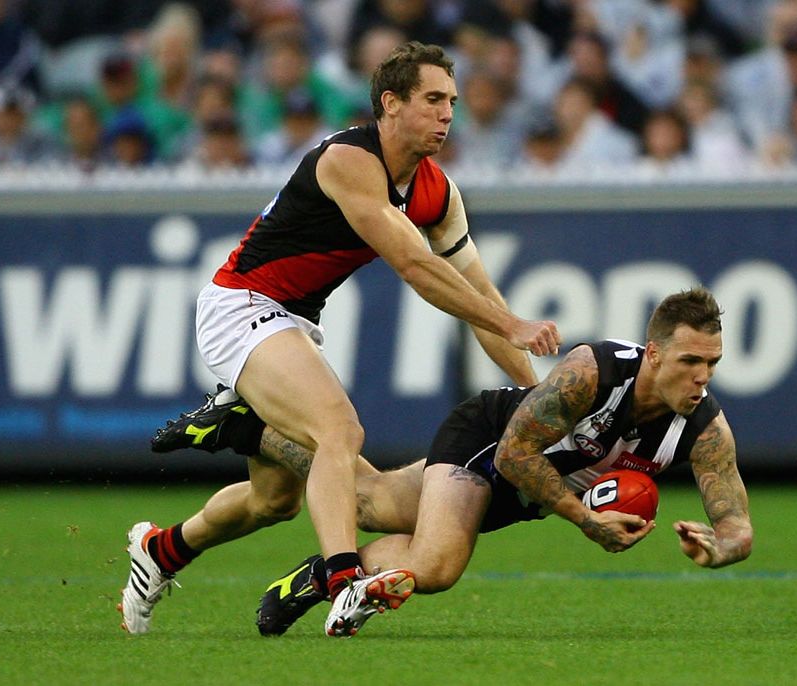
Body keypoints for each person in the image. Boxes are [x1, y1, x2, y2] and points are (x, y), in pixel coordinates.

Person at [118, 40, 560, 638]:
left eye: (451, 101)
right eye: (432, 99)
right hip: (241, 306)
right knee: (340, 431)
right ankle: (342, 578)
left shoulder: (438, 192)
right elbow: (415, 267)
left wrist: (541, 402)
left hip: (291, 321)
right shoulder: (349, 159)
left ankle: (163, 548)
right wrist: (513, 326)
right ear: (390, 103)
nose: (447, 113)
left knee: (276, 501)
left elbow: (480, 299)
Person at [154, 287, 753, 637]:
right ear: (654, 353)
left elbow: (737, 523)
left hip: (523, 491)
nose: (702, 378)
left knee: (366, 501)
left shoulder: (703, 427)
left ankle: (249, 432)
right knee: (437, 567)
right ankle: (320, 564)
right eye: (690, 362)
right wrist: (583, 518)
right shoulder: (593, 372)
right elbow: (518, 454)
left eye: (713, 364)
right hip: (490, 442)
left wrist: (718, 546)